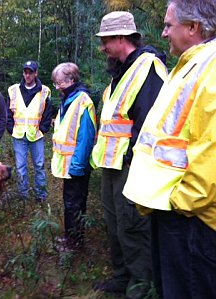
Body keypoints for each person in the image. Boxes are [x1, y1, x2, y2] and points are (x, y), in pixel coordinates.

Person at [123, 1, 216, 298]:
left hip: (192, 218)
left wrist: (181, 203)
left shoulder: (210, 68)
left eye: (168, 25)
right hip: (175, 211)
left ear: (193, 28)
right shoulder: (190, 65)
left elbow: (211, 147)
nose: (162, 34)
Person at [90, 11, 168, 298]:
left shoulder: (148, 67)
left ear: (121, 38)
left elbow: (151, 120)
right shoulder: (120, 72)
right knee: (116, 226)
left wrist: (132, 160)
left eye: (106, 41)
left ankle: (141, 286)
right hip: (112, 165)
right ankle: (122, 278)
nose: (103, 48)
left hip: (131, 165)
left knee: (133, 227)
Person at [51, 63, 96, 251]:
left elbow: (85, 138)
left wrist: (76, 167)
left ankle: (75, 244)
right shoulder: (69, 99)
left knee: (75, 205)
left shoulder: (82, 101)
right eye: (55, 83)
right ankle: (70, 238)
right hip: (69, 166)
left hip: (76, 167)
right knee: (70, 204)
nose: (57, 86)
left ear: (71, 80)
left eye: (59, 82)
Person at [7, 60, 53, 202]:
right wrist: (10, 127)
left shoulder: (45, 91)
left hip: (36, 135)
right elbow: (8, 112)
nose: (27, 75)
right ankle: (23, 196)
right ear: (23, 73)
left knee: (39, 166)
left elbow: (48, 112)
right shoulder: (13, 90)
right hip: (18, 135)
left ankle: (41, 195)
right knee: (21, 167)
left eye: (30, 72)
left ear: (36, 73)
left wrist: (44, 128)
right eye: (25, 72)